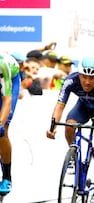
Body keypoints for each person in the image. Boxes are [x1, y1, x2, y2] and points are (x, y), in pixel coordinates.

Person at [46, 56, 94, 203]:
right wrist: (53, 126)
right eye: (84, 77)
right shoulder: (71, 80)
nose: (87, 82)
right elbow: (60, 105)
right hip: (82, 107)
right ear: (78, 75)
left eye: (92, 78)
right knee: (70, 124)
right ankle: (73, 152)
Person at [0, 53, 21, 195]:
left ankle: (7, 177)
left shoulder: (2, 65)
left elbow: (7, 100)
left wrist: (0, 123)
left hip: (10, 79)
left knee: (3, 131)